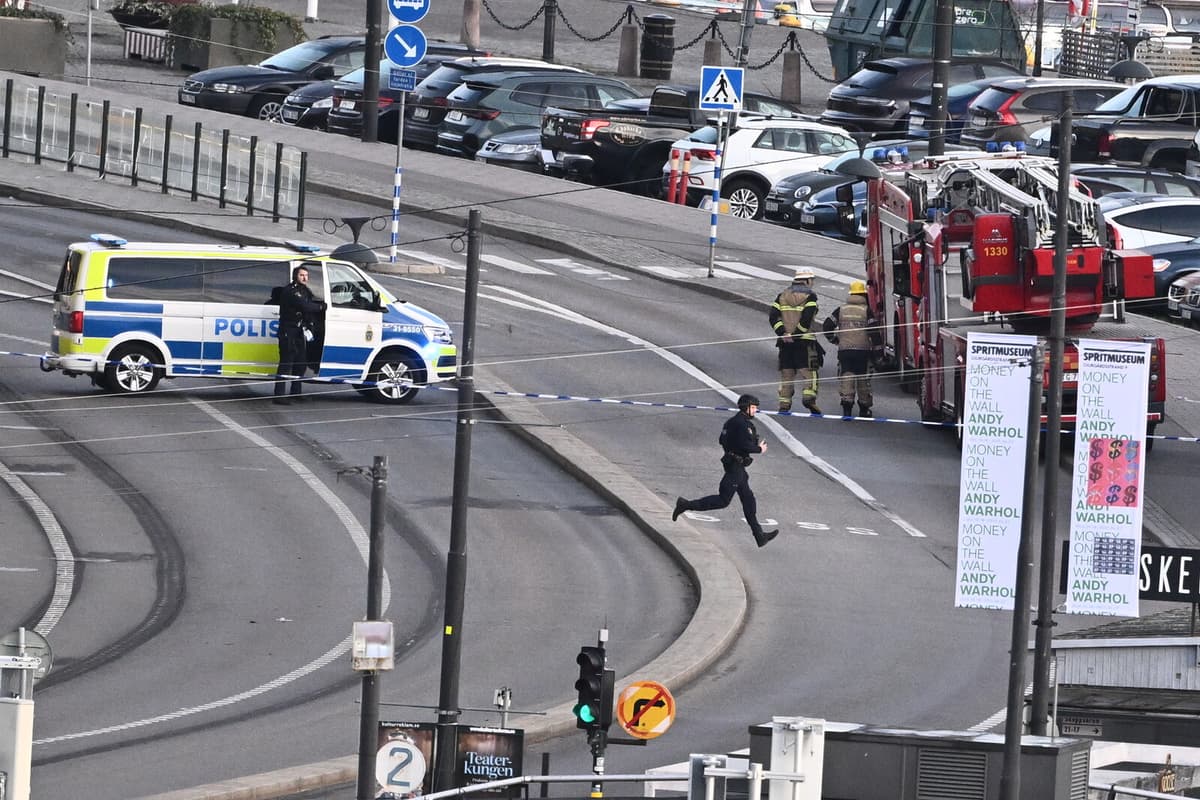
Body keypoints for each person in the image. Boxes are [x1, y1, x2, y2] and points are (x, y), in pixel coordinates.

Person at [671, 394, 779, 548]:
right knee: (723, 500)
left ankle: (759, 536)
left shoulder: (731, 422)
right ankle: (685, 505)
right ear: (746, 407)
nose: (755, 410)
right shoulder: (742, 424)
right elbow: (745, 446)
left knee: (748, 499)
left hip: (736, 465)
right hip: (736, 466)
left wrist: (733, 449)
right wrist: (759, 449)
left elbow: (722, 440)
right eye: (753, 407)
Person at [822, 279, 882, 417]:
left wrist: (835, 340)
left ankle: (847, 408)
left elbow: (827, 326)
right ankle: (864, 409)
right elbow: (875, 332)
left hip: (845, 351)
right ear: (864, 295)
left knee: (847, 377)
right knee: (863, 379)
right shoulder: (867, 311)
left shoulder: (841, 310)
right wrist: (879, 353)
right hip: (863, 352)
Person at [769, 268, 822, 414]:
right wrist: (796, 334)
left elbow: (773, 317)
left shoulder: (782, 296)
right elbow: (806, 318)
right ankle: (809, 398)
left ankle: (784, 404)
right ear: (807, 281)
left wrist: (783, 333)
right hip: (805, 342)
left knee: (787, 373)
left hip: (785, 343)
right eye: (812, 280)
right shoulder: (810, 297)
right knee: (810, 372)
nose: (812, 283)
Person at [273, 264, 326, 404]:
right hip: (288, 332)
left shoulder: (305, 290)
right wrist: (322, 307)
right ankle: (278, 396)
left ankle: (296, 392)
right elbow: (305, 306)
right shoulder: (291, 291)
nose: (305, 278)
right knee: (286, 364)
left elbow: (310, 302)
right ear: (295, 276)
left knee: (300, 364)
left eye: (306, 275)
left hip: (299, 332)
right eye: (302, 275)